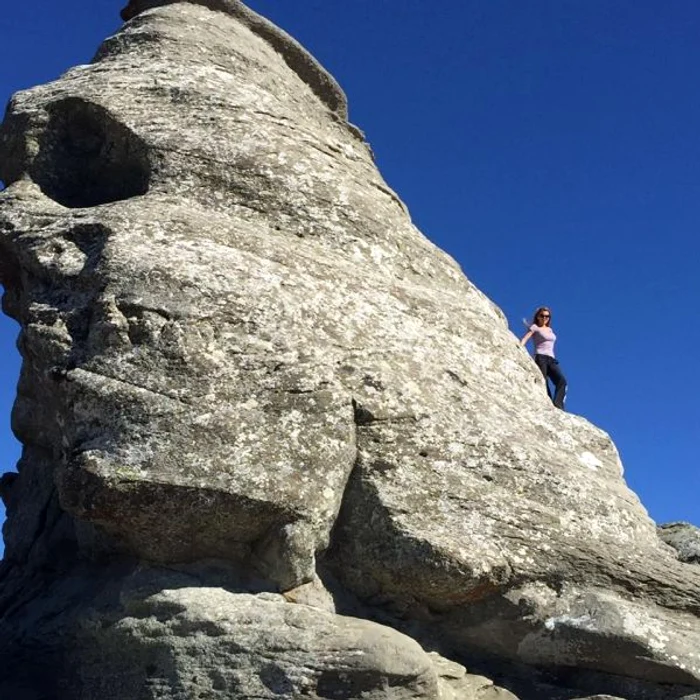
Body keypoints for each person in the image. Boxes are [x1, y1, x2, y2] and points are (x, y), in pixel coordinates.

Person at [520, 306, 567, 409]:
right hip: (540, 358)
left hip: (551, 359)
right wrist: (519, 347)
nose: (545, 318)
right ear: (538, 317)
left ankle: (558, 405)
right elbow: (525, 338)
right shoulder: (535, 327)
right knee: (543, 382)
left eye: (547, 316)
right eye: (542, 316)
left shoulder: (550, 330)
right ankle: (548, 404)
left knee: (562, 381)